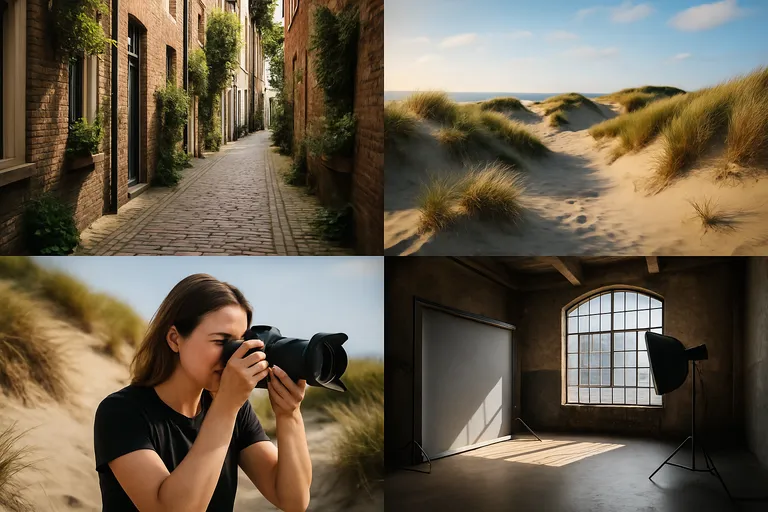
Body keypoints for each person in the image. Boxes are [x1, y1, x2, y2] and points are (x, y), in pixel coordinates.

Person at [94, 274, 312, 512]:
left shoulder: (234, 410)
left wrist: (289, 414)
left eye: (241, 342)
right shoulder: (121, 411)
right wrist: (227, 406)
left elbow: (293, 500)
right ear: (175, 339)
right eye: (221, 341)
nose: (234, 354)